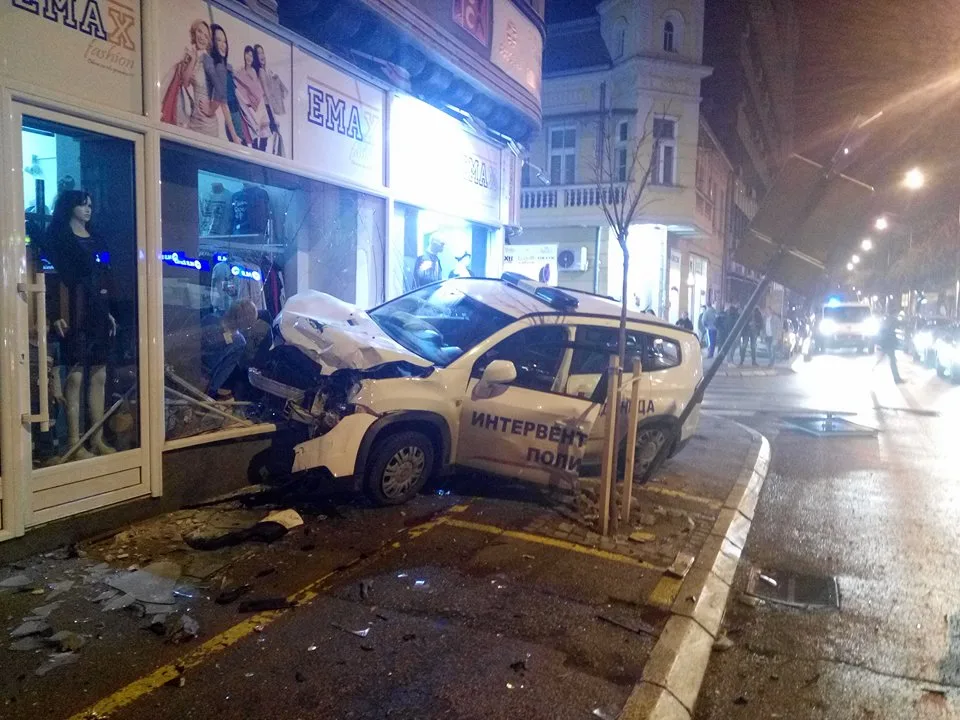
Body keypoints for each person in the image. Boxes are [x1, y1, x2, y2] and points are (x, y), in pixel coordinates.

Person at [42, 191, 118, 461]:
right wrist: (55, 313)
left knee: (99, 375)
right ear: (69, 207)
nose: (88, 209)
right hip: (73, 307)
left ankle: (96, 438)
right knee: (74, 377)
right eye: (82, 205)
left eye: (90, 205)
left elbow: (104, 276)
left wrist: (107, 311)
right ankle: (74, 442)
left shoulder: (96, 237)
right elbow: (51, 278)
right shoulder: (58, 237)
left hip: (96, 307)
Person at [234, 45, 271, 151]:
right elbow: (241, 87)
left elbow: (255, 89)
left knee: (263, 136)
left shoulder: (254, 71)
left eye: (251, 55)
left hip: (259, 106)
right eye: (247, 54)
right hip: (249, 108)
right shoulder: (240, 72)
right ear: (244, 55)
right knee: (253, 135)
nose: (249, 57)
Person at [876, 313, 904, 384]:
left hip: (887, 345)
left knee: (888, 360)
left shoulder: (886, 324)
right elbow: (890, 337)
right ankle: (897, 379)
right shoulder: (889, 327)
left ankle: (897, 378)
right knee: (892, 362)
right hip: (888, 346)